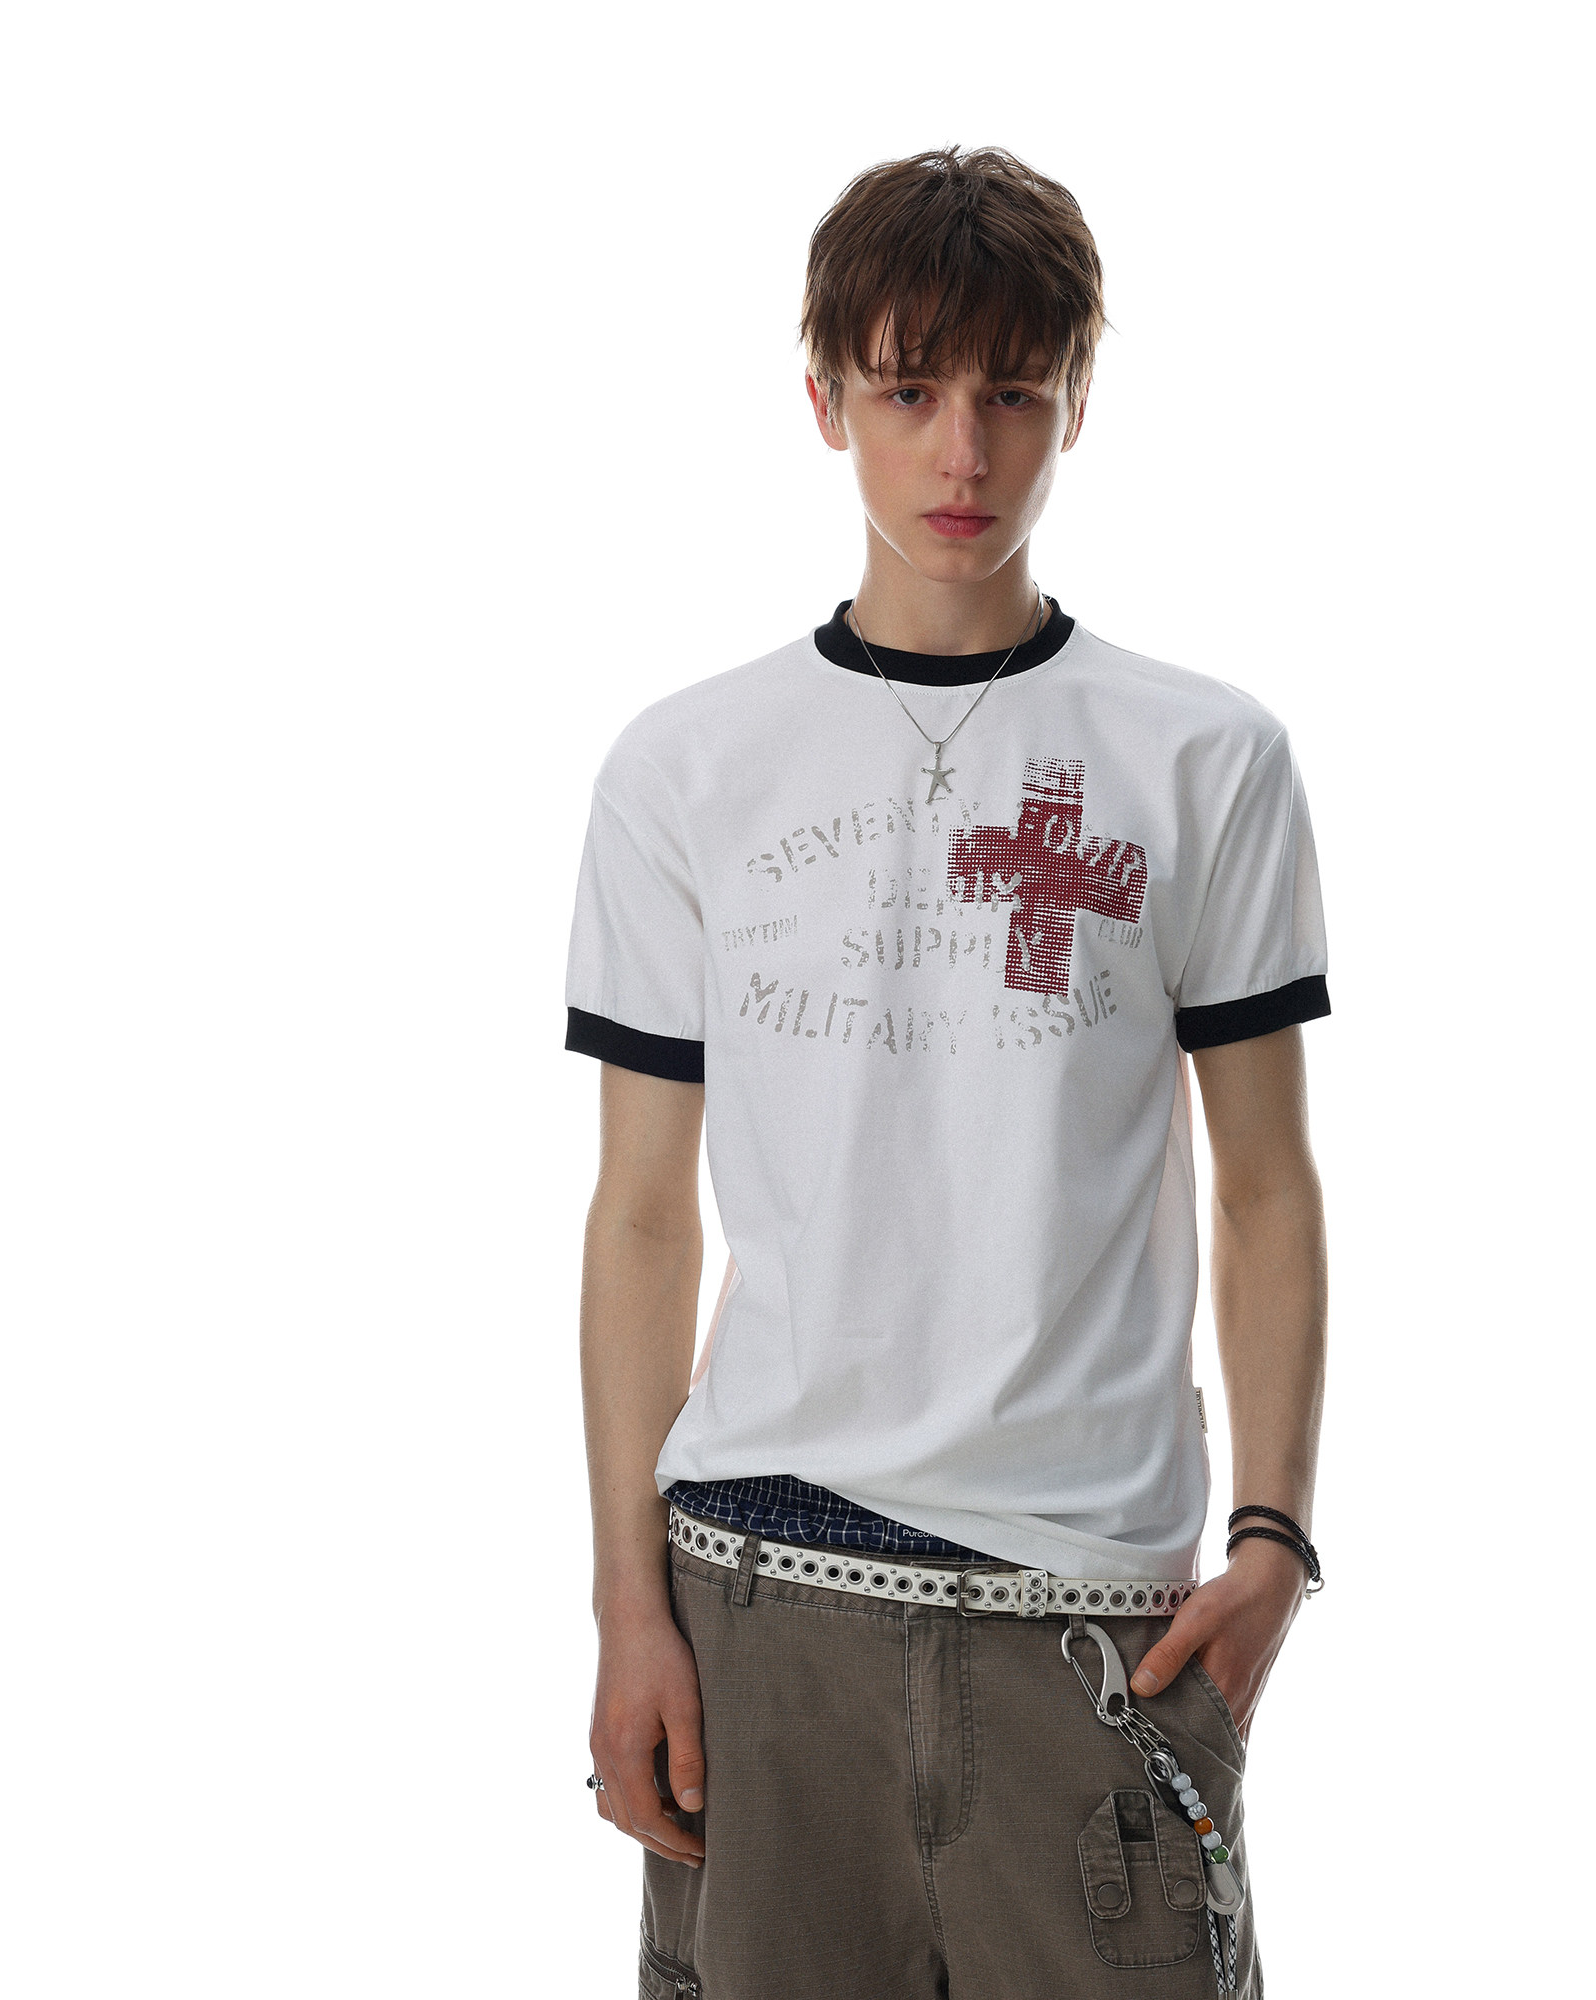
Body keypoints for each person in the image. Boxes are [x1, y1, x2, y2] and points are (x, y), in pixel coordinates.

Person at [565, 144, 1330, 2000]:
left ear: (1080, 399)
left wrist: (1276, 1538)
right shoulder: (687, 769)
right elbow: (644, 1216)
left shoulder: (1200, 760)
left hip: (1095, 1616)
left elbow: (1264, 1182)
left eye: (1013, 393)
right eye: (909, 391)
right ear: (825, 399)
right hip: (761, 1604)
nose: (963, 454)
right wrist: (626, 1607)